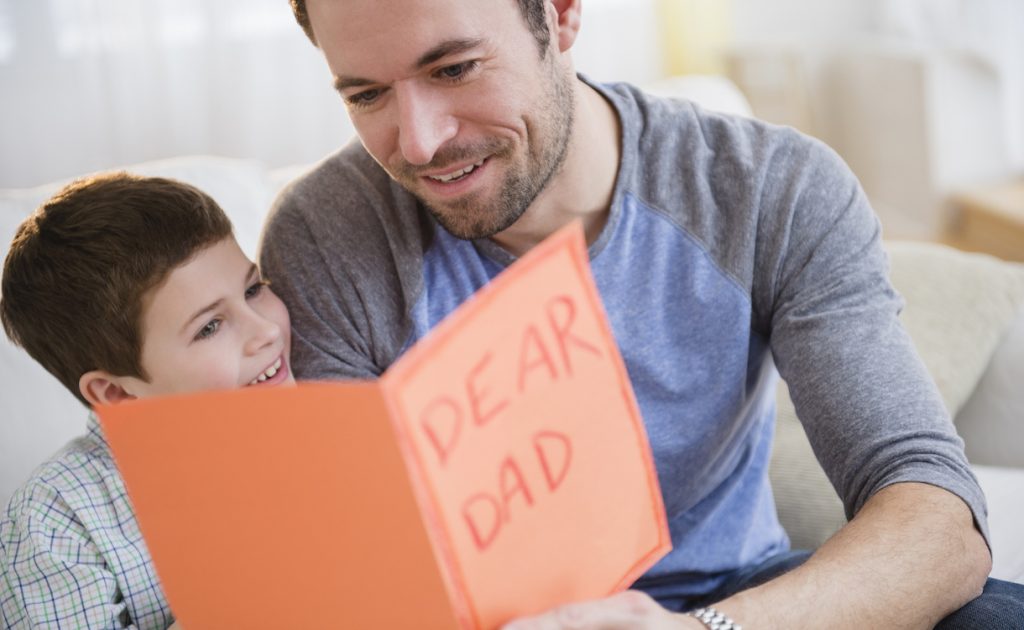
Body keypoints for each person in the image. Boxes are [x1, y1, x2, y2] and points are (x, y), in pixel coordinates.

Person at [261, 0, 1024, 627]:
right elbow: (356, 567)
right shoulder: (326, 235)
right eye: (366, 95)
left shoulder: (769, 190)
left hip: (740, 597)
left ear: (559, 16)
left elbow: (939, 519)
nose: (421, 141)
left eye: (455, 68)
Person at [0, 173, 295, 629]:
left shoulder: (322, 413)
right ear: (117, 393)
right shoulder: (55, 518)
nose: (267, 331)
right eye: (210, 327)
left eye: (254, 289)